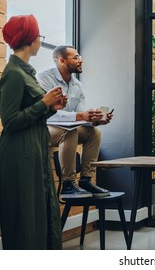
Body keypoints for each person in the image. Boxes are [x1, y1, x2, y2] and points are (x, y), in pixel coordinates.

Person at [0, 15, 66, 249]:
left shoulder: (27, 73)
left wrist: (50, 107)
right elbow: (9, 121)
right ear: (30, 39)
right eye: (39, 35)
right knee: (26, 216)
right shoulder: (13, 75)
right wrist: (43, 103)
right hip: (20, 155)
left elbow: (31, 115)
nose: (40, 40)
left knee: (39, 212)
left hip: (34, 150)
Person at [36, 45, 113, 198]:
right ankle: (68, 184)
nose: (80, 60)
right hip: (43, 127)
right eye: (76, 57)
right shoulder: (43, 78)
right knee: (69, 131)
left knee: (94, 133)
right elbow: (49, 114)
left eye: (80, 57)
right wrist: (81, 116)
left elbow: (79, 114)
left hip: (65, 127)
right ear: (62, 60)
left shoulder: (77, 85)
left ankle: (85, 180)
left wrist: (95, 120)